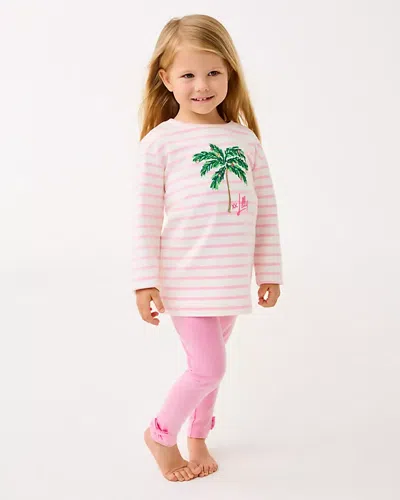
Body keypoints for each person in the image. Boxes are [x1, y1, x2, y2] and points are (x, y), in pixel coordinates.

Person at [132, 14, 284, 482]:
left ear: (230, 73)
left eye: (213, 72)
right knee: (209, 368)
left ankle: (198, 437)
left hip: (230, 281)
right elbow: (144, 217)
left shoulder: (244, 140)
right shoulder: (161, 143)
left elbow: (265, 212)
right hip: (187, 280)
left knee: (211, 369)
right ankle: (161, 435)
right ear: (166, 79)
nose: (202, 86)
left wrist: (269, 271)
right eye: (188, 75)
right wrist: (144, 281)